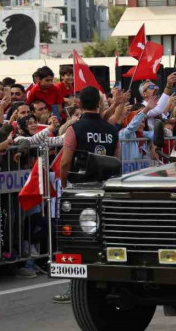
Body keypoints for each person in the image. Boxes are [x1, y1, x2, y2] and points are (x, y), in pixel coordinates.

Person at [53, 86, 120, 304]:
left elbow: (64, 161)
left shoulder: (75, 128)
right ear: (100, 104)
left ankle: (74, 289)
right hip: (107, 191)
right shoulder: (111, 130)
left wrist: (64, 184)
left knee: (75, 242)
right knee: (106, 238)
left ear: (80, 104)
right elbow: (117, 162)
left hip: (80, 193)